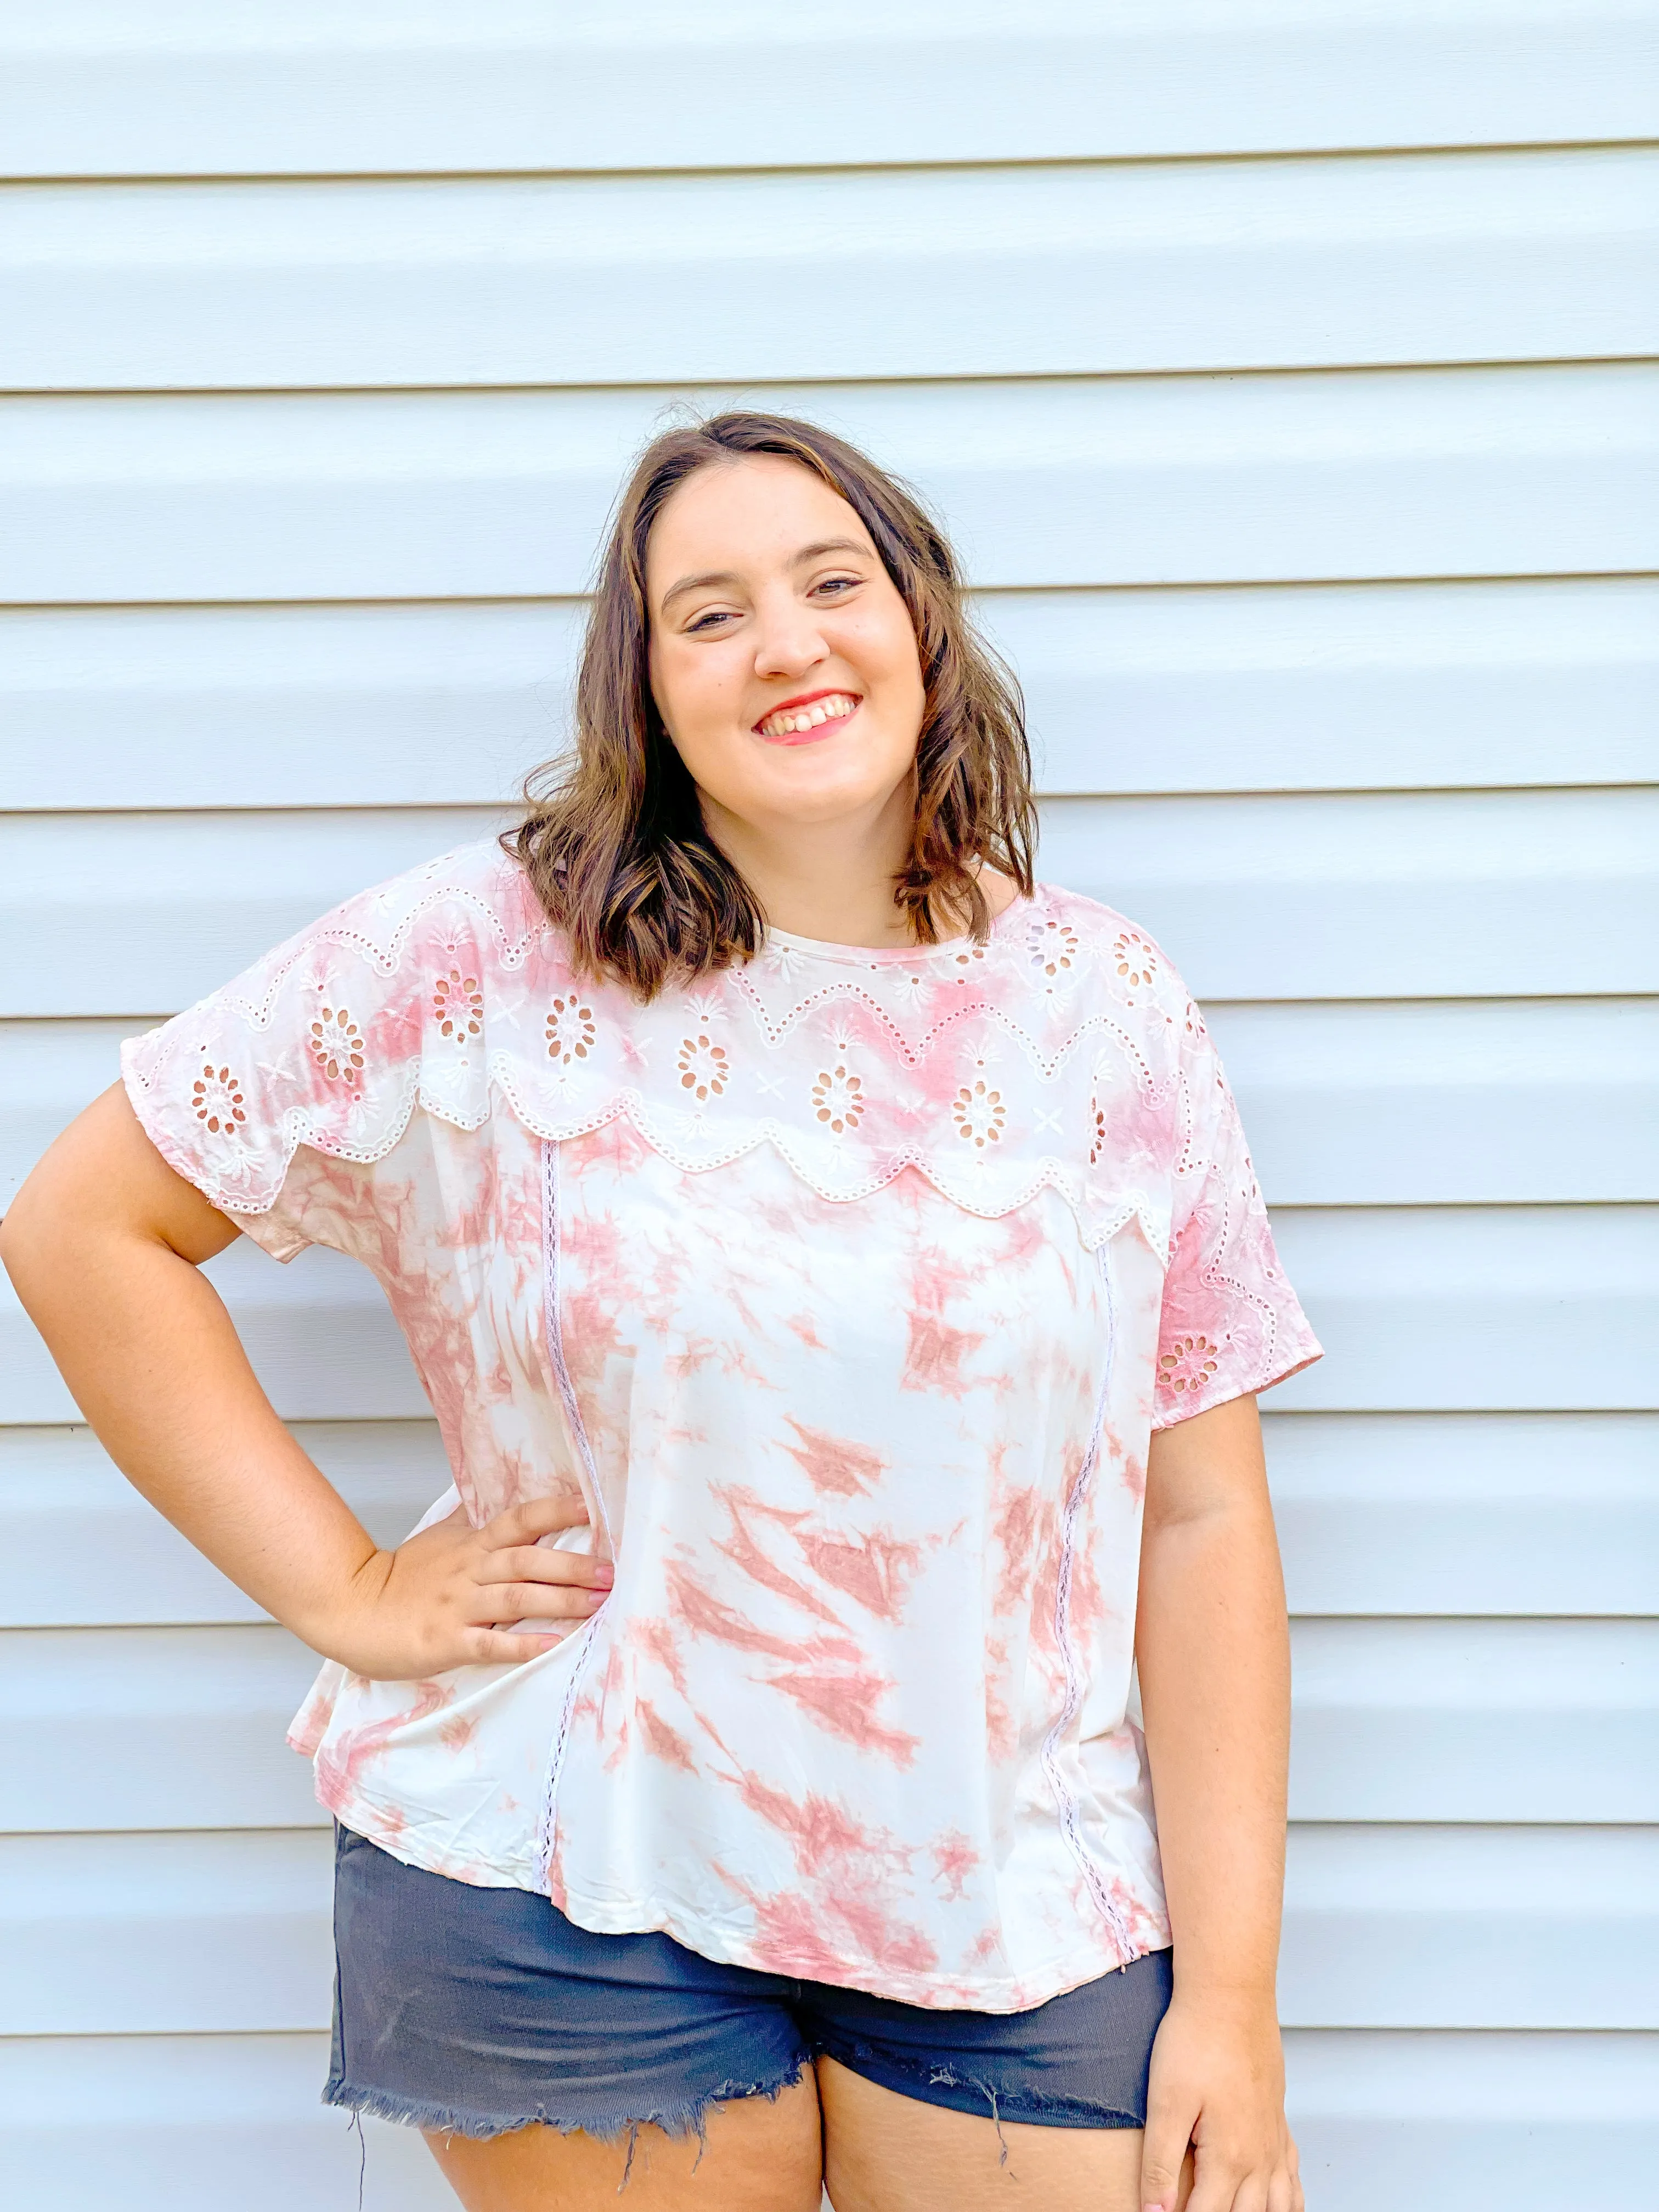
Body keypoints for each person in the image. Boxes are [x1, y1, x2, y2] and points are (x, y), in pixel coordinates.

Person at [2, 412, 1321, 2212]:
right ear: (642, 690)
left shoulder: (1105, 1010)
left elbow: (1201, 1513)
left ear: (920, 624)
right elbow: (88, 1227)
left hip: (1013, 1887)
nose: (784, 640)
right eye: (707, 613)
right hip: (564, 1874)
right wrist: (346, 1588)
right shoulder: (481, 956)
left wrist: (1229, 1999)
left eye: (829, 582)